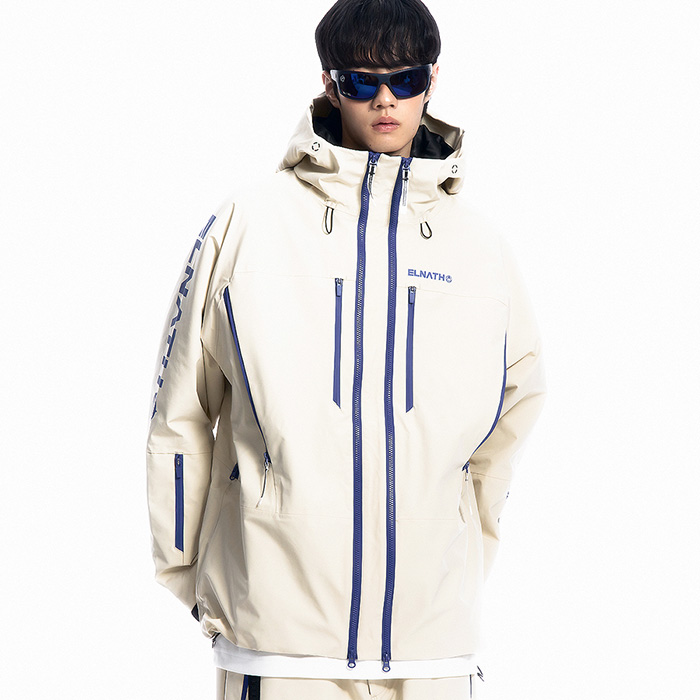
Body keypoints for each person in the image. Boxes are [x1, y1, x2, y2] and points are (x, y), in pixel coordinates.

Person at [146, 1, 546, 698]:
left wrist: (457, 558)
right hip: (279, 643)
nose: (385, 100)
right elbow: (180, 411)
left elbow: (511, 418)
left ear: (432, 80)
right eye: (363, 81)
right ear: (330, 84)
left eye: (405, 79)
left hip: (431, 650)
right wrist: (196, 578)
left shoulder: (480, 249)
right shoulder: (249, 225)